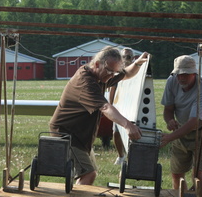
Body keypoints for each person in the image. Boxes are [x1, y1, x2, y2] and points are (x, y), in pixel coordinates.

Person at [49, 46, 148, 185]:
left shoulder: (101, 75)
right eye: (109, 71)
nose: (111, 76)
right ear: (96, 64)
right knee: (88, 174)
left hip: (79, 136)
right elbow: (105, 107)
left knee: (89, 172)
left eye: (114, 72)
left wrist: (138, 63)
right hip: (66, 134)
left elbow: (126, 74)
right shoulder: (86, 82)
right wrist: (127, 125)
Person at [160, 55, 202, 197]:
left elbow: (194, 122)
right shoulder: (171, 81)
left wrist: (168, 138)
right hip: (182, 130)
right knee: (176, 172)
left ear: (195, 73)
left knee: (198, 174)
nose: (181, 78)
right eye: (179, 74)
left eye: (186, 74)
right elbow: (168, 109)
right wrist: (170, 121)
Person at [108, 47, 135, 165]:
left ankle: (132, 157)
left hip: (133, 107)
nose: (125, 59)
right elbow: (112, 90)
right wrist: (111, 106)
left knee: (132, 132)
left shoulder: (137, 73)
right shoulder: (117, 73)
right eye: (123, 57)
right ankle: (121, 156)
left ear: (133, 58)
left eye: (128, 57)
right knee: (116, 133)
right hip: (119, 106)